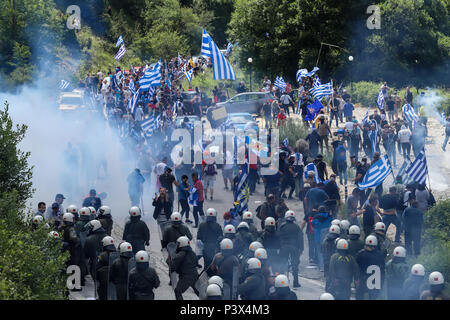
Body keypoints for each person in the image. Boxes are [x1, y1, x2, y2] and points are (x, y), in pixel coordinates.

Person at [355, 235, 385, 300]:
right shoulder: (380, 255)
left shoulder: (361, 254)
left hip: (363, 280)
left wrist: (356, 279)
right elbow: (382, 270)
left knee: (359, 296)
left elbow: (357, 267)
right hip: (376, 283)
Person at [279, 211, 304, 288]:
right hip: (294, 248)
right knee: (295, 265)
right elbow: (300, 238)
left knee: (283, 264)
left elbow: (278, 237)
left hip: (284, 247)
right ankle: (295, 282)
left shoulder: (282, 226)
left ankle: (281, 281)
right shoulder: (297, 227)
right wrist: (301, 249)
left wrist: (279, 247)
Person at [171, 236, 200, 300]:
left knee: (178, 291)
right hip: (195, 274)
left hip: (186, 276)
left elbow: (173, 266)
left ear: (182, 244)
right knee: (199, 292)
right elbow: (196, 262)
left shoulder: (180, 254)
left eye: (178, 243)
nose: (177, 245)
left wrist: (170, 264)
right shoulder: (192, 253)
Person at [197, 208, 223, 274]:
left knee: (206, 263)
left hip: (205, 247)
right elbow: (221, 237)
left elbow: (198, 237)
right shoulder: (217, 226)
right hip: (215, 248)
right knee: (214, 264)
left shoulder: (202, 225)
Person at [95, 236, 116, 300]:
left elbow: (97, 268)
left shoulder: (101, 255)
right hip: (114, 281)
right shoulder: (116, 254)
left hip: (104, 281)